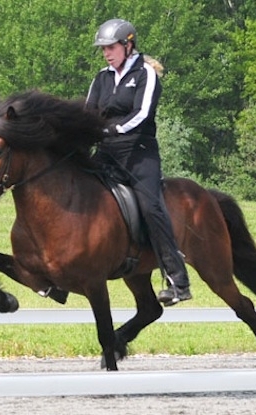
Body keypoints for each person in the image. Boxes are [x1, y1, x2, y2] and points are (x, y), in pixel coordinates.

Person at [86, 18, 191, 306]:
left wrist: (113, 129)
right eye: (103, 49)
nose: (106, 53)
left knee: (151, 206)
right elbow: (89, 112)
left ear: (127, 44)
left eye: (111, 47)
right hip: (107, 152)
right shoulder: (101, 78)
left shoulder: (145, 74)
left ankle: (177, 279)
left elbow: (142, 113)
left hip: (138, 152)